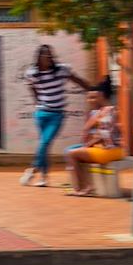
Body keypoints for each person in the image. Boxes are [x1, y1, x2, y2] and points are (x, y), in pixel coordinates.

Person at [19, 44, 90, 187]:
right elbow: (32, 87)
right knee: (44, 145)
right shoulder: (33, 73)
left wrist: (93, 89)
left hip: (57, 114)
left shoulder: (61, 70)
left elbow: (78, 81)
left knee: (44, 142)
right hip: (41, 113)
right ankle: (44, 178)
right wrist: (37, 102)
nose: (50, 58)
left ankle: (33, 169)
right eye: (47, 56)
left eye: (51, 55)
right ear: (39, 58)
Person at [64, 76, 124, 196]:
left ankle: (84, 188)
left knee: (72, 154)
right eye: (89, 98)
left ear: (101, 96)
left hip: (110, 150)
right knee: (74, 152)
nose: (90, 100)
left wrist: (87, 145)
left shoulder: (108, 111)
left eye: (93, 97)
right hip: (107, 148)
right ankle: (81, 187)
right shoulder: (102, 111)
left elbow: (104, 135)